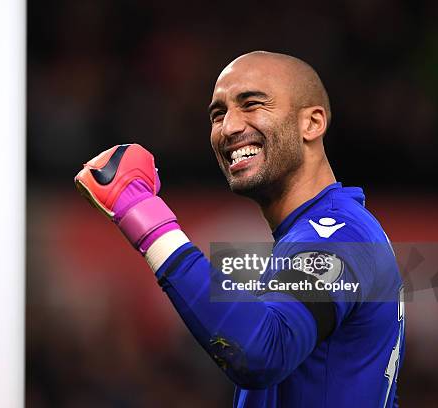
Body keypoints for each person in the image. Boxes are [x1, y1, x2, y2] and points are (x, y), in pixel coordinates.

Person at [74, 51, 405, 407]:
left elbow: (262, 352)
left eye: (252, 104)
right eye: (218, 114)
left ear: (311, 123)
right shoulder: (315, 233)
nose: (228, 128)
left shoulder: (340, 234)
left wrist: (144, 218)